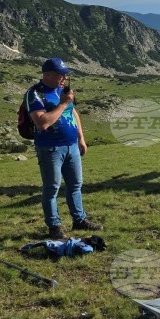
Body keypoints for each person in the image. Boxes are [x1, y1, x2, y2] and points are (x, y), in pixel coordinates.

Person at [24, 58, 102, 239]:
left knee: (75, 184)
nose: (64, 78)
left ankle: (79, 219)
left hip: (71, 146)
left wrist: (81, 139)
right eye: (61, 75)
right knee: (52, 188)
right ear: (48, 75)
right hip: (50, 148)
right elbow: (42, 122)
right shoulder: (35, 93)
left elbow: (73, 113)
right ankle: (54, 226)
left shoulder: (62, 91)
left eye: (65, 75)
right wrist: (63, 104)